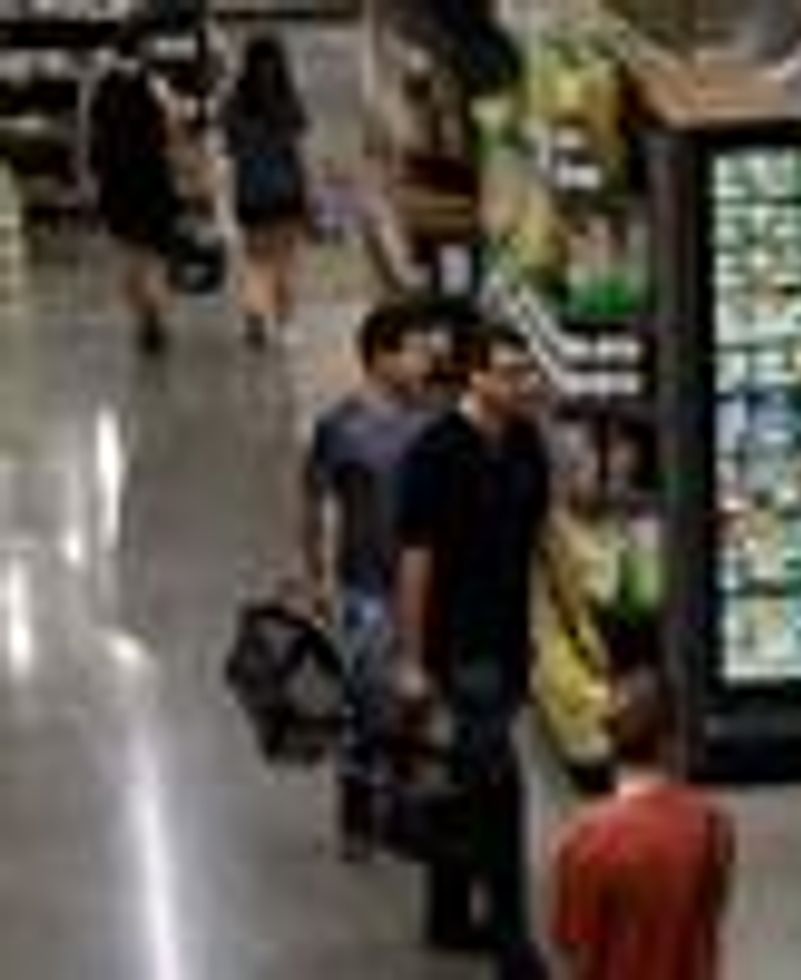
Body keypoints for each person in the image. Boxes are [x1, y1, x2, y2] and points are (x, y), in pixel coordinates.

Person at [395, 322, 551, 979]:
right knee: (500, 785)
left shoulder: (525, 443)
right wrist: (409, 659)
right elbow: (416, 560)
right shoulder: (436, 451)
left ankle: (448, 914)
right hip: (458, 644)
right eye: (510, 372)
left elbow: (536, 539)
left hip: (509, 636)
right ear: (474, 378)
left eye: (527, 372)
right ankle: (514, 944)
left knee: (464, 778)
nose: (524, 384)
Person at [302, 302, 432, 859]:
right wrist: (317, 581)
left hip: (422, 591)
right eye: (417, 351)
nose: (428, 360)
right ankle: (357, 819)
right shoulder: (341, 427)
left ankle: (403, 807)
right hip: (365, 589)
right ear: (381, 357)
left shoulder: (433, 424)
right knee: (363, 706)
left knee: (415, 705)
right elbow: (314, 505)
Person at [552, 666, 734, 980]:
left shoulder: (586, 841)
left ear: (610, 744)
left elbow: (574, 947)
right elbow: (710, 916)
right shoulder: (713, 826)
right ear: (671, 741)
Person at [88, 17, 183, 356]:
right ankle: (157, 311)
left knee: (129, 253)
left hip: (116, 183)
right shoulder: (156, 85)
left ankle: (142, 316)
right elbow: (173, 129)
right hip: (153, 179)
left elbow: (91, 134)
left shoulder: (101, 85)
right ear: (145, 50)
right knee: (157, 254)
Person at [224, 33, 308, 348]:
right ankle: (285, 324)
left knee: (256, 261)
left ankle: (254, 313)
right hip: (286, 190)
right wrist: (308, 194)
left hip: (249, 192)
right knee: (286, 262)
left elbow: (230, 149)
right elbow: (298, 152)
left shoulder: (235, 102)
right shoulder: (288, 100)